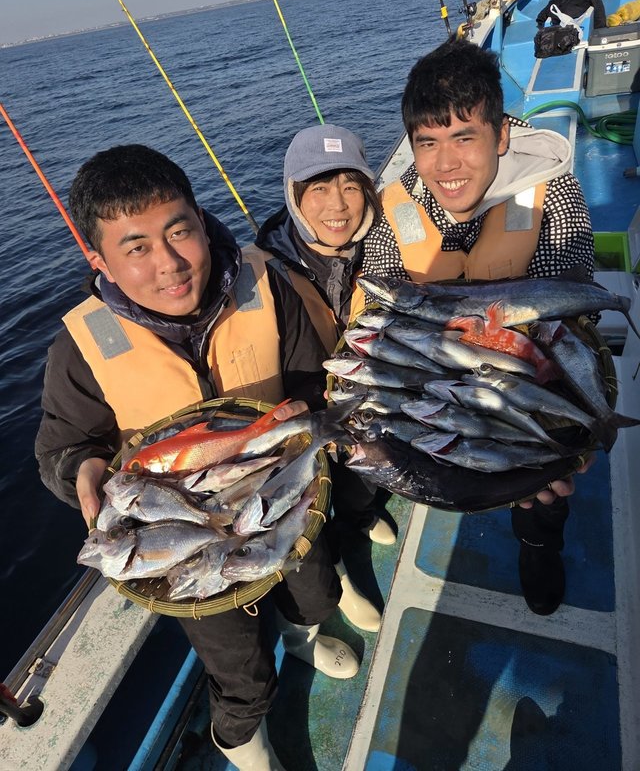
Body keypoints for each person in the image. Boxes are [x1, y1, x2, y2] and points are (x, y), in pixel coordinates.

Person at [35, 144, 362, 771]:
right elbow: (65, 447)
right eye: (136, 249)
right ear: (98, 259)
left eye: (179, 231)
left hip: (280, 491)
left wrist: (304, 409)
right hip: (184, 541)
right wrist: (80, 469)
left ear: (198, 216)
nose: (170, 264)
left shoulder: (264, 283)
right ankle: (240, 736)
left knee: (316, 593)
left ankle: (302, 638)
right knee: (238, 666)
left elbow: (305, 381)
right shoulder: (81, 345)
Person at [362, 38, 596, 617]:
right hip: (437, 398)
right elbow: (376, 305)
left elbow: (571, 319)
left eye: (465, 138)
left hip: (524, 401)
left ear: (502, 135)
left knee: (546, 493)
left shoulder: (552, 194)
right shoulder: (397, 207)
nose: (446, 164)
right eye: (428, 143)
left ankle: (539, 545)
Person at [255, 124, 398, 633]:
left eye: (351, 186)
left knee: (361, 485)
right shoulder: (265, 270)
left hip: (366, 407)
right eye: (317, 188)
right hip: (304, 418)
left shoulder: (388, 246)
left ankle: (358, 520)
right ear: (294, 197)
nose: (337, 205)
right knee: (311, 506)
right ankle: (333, 574)